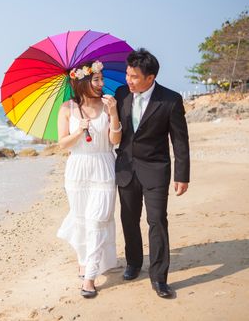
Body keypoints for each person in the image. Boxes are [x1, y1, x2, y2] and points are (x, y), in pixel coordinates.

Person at [114, 48, 190, 298]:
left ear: (150, 77)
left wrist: (182, 174)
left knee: (157, 221)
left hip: (156, 169)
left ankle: (159, 278)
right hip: (125, 167)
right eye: (127, 74)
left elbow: (180, 140)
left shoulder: (170, 99)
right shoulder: (121, 94)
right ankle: (134, 263)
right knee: (128, 219)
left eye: (134, 76)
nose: (129, 80)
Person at [57, 60, 122, 298]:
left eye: (102, 79)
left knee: (97, 221)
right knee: (81, 218)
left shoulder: (108, 105)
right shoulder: (67, 109)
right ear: (83, 81)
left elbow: (116, 140)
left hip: (104, 165)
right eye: (96, 80)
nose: (101, 84)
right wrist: (77, 131)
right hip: (77, 170)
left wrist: (114, 113)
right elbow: (62, 144)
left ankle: (90, 277)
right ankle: (83, 260)